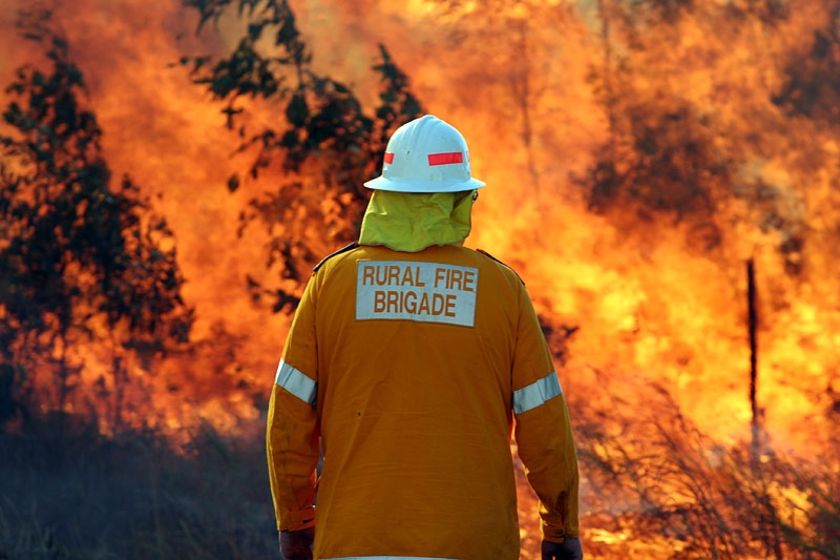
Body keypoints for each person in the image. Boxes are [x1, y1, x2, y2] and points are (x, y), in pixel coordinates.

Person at [266, 114, 582, 560]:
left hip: (354, 541)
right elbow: (544, 427)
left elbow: (289, 421)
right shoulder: (501, 289)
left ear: (384, 197)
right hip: (474, 543)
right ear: (460, 199)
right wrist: (561, 527)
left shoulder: (331, 283)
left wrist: (295, 524)